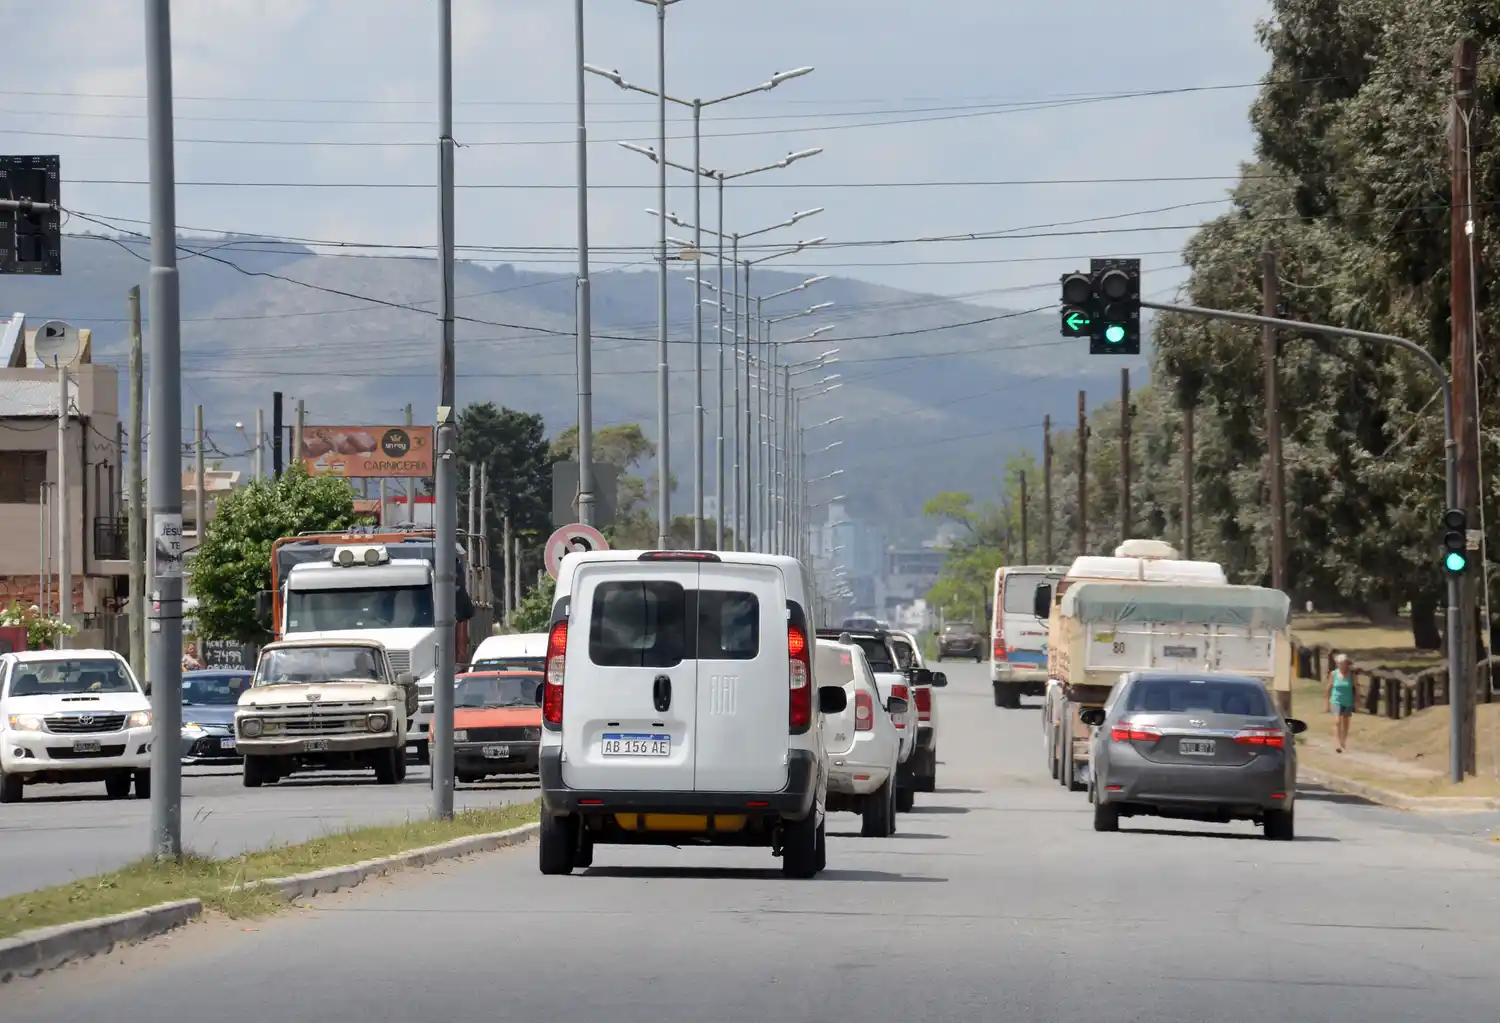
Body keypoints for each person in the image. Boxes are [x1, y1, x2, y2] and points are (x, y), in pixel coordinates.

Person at [1325, 652, 1356, 752]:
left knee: (1346, 722)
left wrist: (1357, 701)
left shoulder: (1352, 675)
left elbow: (1356, 688)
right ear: (1337, 664)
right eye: (1340, 663)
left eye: (1344, 663)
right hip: (1336, 700)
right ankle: (1338, 743)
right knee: (1337, 721)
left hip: (1348, 700)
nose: (1342, 665)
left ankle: (1343, 741)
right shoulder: (1334, 674)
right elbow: (1328, 688)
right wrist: (1327, 703)